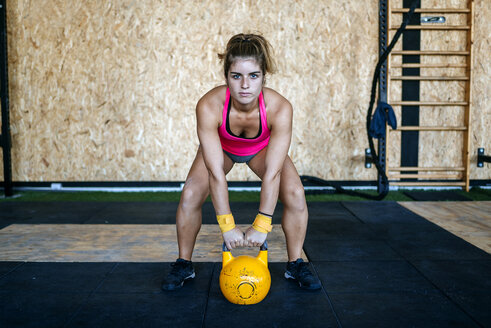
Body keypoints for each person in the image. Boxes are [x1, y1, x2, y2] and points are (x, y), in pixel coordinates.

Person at [162, 33, 321, 291]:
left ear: (264, 77)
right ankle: (184, 263)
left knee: (295, 192)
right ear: (226, 77)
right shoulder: (209, 106)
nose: (245, 85)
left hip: (261, 150)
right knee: (191, 192)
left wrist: (262, 224)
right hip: (222, 149)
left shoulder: (280, 108)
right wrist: (227, 226)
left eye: (253, 76)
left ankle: (295, 264)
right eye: (237, 76)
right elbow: (215, 173)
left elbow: (273, 172)